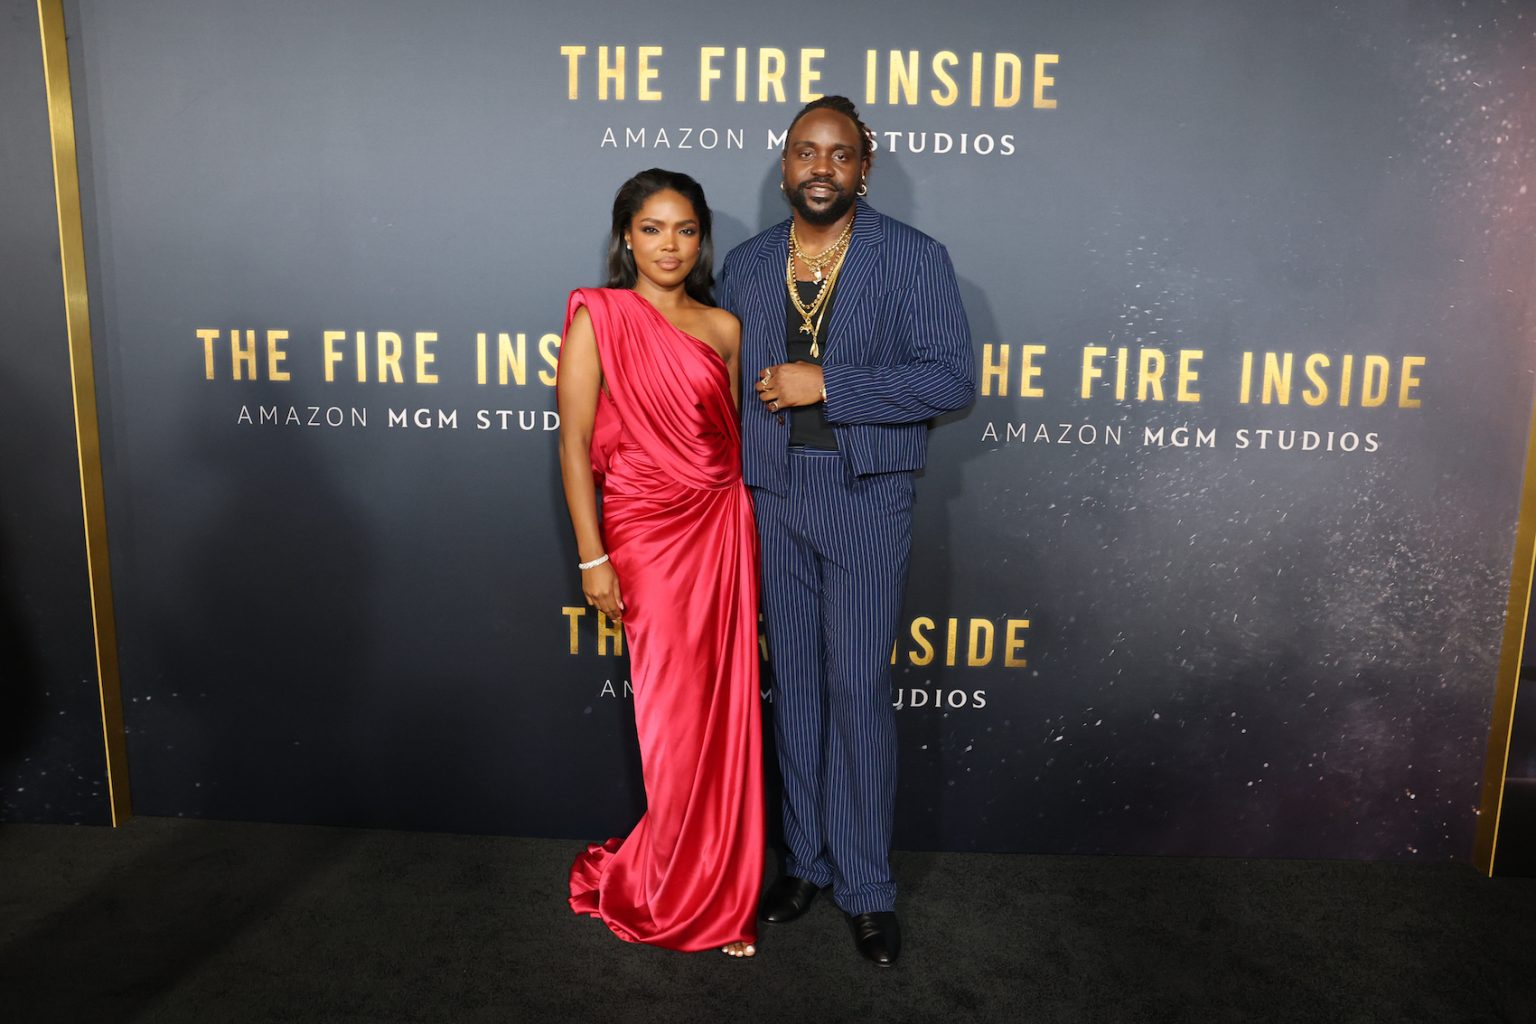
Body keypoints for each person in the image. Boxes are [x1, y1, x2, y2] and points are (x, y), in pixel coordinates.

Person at [718, 97, 976, 967]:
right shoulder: (749, 265)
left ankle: (866, 887)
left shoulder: (913, 257)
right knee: (793, 686)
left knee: (858, 690)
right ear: (784, 165)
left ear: (863, 168)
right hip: (772, 492)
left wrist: (829, 384)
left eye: (838, 153)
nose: (820, 167)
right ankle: (806, 863)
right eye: (805, 151)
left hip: (866, 495)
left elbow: (951, 379)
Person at [558, 169, 763, 958]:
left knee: (728, 714)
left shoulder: (724, 327)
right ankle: (674, 887)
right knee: (675, 719)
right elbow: (575, 442)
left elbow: (730, 440)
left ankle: (723, 893)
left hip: (721, 526)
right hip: (644, 532)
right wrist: (593, 557)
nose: (669, 245)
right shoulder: (600, 316)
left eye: (684, 230)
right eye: (652, 229)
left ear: (701, 239)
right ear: (626, 237)